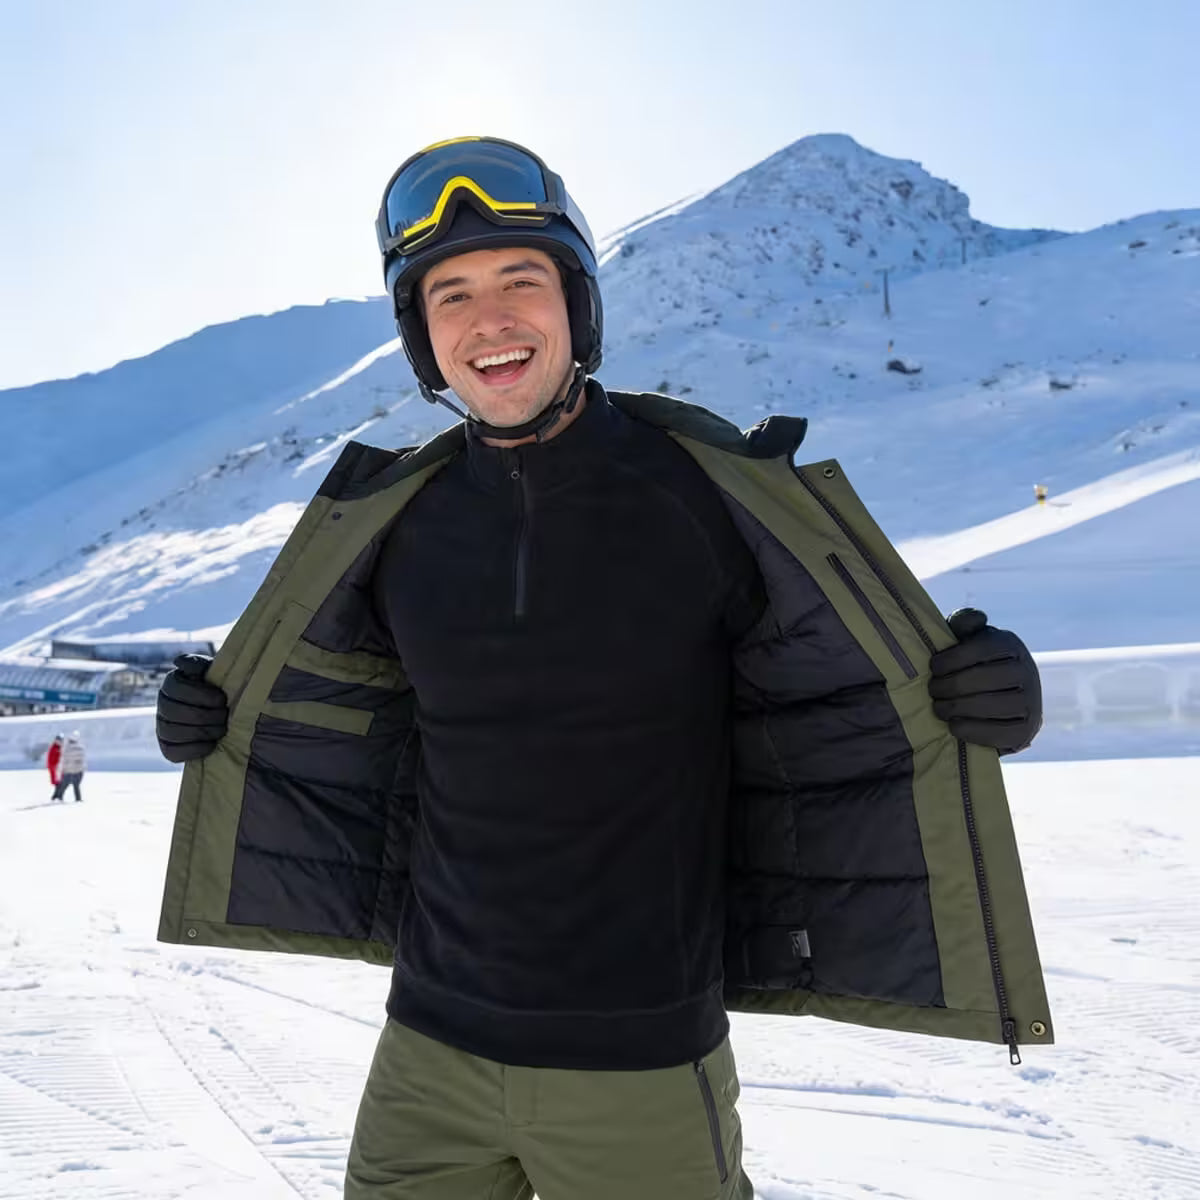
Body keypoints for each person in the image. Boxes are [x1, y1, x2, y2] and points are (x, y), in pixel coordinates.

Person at [155, 137, 1051, 1199]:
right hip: (423, 1058)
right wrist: (215, 718)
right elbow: (353, 717)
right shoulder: (395, 521)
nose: (489, 320)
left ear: (578, 307)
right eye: (450, 295)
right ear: (420, 337)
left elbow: (838, 687)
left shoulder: (704, 495)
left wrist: (977, 692)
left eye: (520, 280)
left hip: (641, 1069)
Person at [52, 731, 85, 803]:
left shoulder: (66, 749)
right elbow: (82, 761)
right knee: (76, 786)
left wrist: (62, 770)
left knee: (63, 786)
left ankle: (59, 798)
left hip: (69, 771)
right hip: (78, 771)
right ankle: (78, 799)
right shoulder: (81, 748)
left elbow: (64, 761)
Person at [46, 733, 64, 801]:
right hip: (55, 769)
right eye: (59, 740)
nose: (60, 741)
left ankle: (57, 797)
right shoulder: (54, 748)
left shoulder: (58, 747)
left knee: (59, 784)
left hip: (58, 769)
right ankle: (57, 797)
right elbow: (52, 760)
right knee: (59, 784)